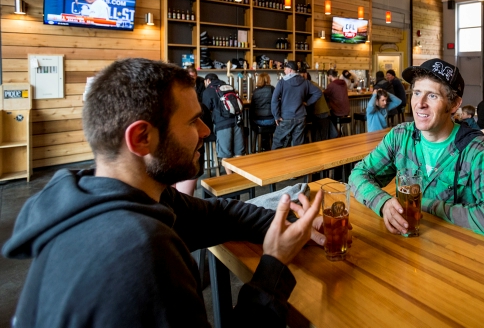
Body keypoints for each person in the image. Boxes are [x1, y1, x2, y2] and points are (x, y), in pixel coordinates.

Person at [2, 58, 325, 327]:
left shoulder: (112, 195)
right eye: (194, 121)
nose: (206, 131)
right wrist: (274, 264)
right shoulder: (141, 251)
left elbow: (217, 214)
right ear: (142, 137)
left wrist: (292, 224)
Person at [349, 58, 484, 241]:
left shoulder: (477, 150)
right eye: (417, 93)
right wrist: (383, 203)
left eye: (433, 96)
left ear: (454, 104)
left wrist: (425, 205)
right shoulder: (400, 136)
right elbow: (358, 175)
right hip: (404, 252)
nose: (420, 103)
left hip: (454, 258)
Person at [271, 61, 322, 149]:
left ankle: (276, 162)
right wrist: (307, 103)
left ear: (290, 70)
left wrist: (276, 116)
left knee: (277, 143)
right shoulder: (305, 82)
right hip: (300, 117)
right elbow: (318, 92)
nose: (284, 71)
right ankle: (297, 162)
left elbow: (274, 99)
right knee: (298, 146)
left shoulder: (282, 82)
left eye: (285, 69)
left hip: (286, 117)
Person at [202, 73, 244, 170]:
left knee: (225, 154)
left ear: (208, 81)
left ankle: (230, 179)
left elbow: (205, 110)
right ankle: (239, 178)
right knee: (239, 152)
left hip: (222, 125)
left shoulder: (208, 91)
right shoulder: (228, 86)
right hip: (237, 121)